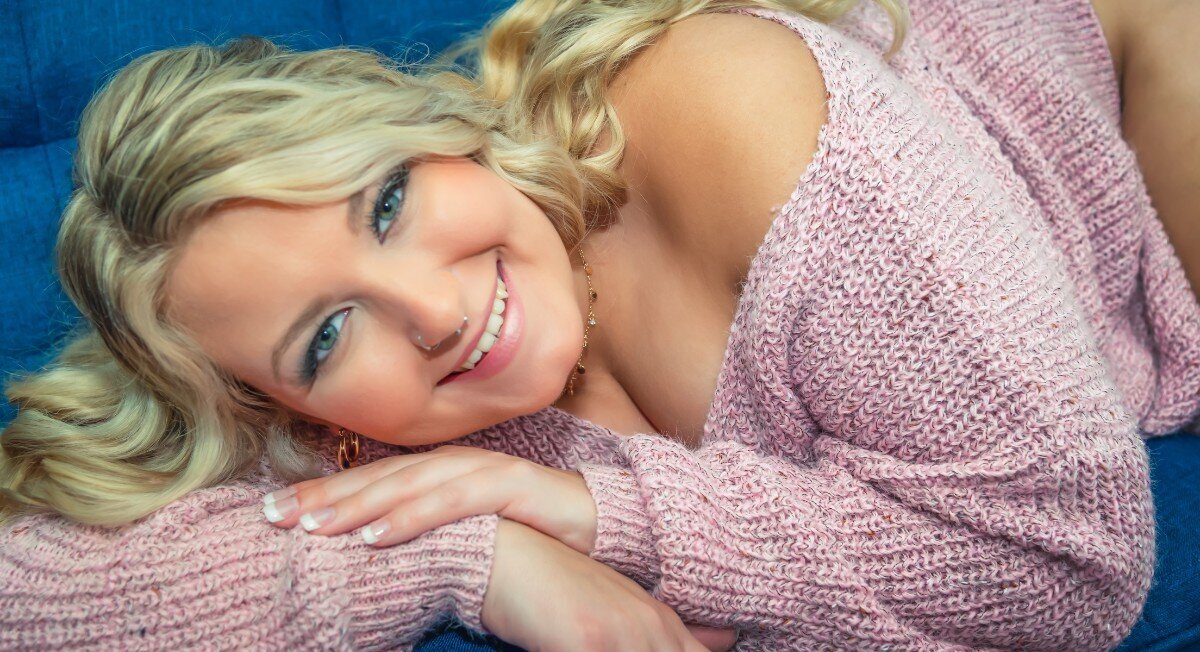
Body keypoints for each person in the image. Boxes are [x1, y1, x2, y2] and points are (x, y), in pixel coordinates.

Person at [2, 0, 1198, 649]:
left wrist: (590, 509)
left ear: (442, 127)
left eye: (390, 200)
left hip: (1125, 75)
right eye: (324, 337)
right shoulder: (382, 440)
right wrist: (470, 553)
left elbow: (1070, 565)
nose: (432, 312)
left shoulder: (742, 116)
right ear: (286, 413)